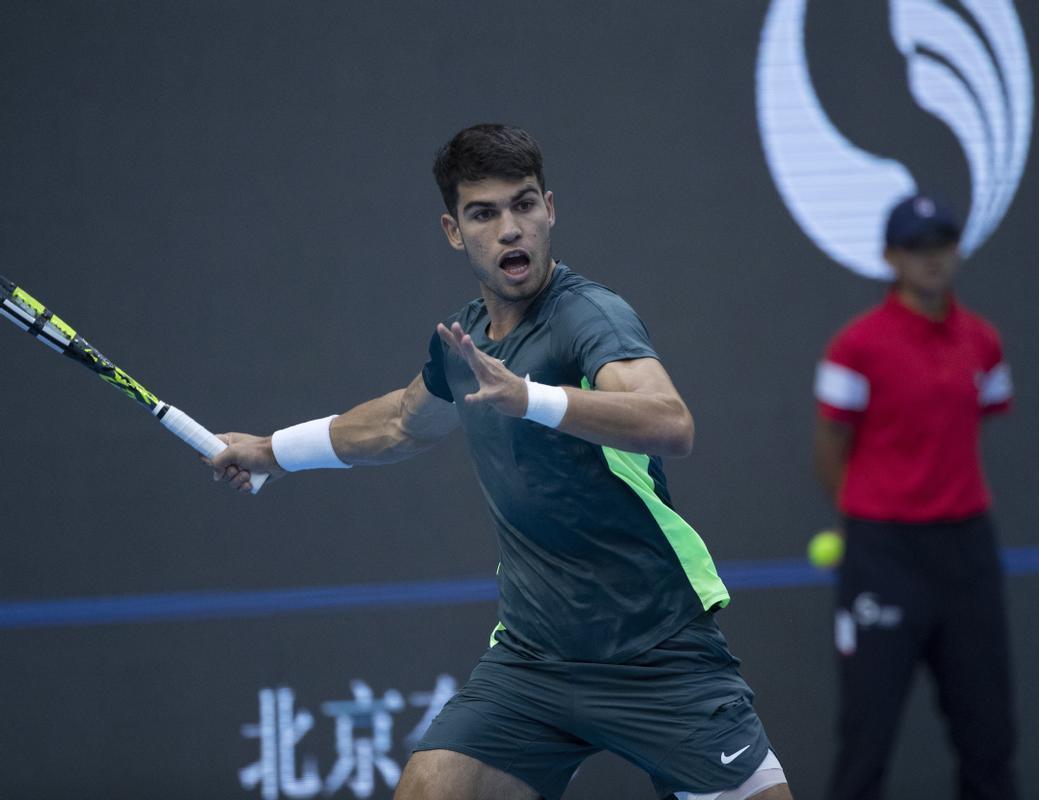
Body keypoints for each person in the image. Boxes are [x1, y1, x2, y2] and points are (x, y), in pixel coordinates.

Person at [210, 124, 792, 800]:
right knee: (430, 790)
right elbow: (402, 423)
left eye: (523, 206)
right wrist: (271, 452)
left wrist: (531, 398)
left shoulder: (590, 318)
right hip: (534, 662)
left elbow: (670, 422)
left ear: (550, 208)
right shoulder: (462, 347)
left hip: (657, 652)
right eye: (484, 214)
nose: (510, 229)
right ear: (454, 231)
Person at [812, 195, 1018, 800]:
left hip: (967, 552)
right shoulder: (855, 347)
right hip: (884, 553)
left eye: (942, 246)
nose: (932, 260)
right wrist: (868, 515)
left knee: (990, 740)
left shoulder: (983, 341)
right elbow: (830, 446)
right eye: (917, 249)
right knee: (866, 741)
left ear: (957, 251)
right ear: (890, 258)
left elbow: (979, 418)